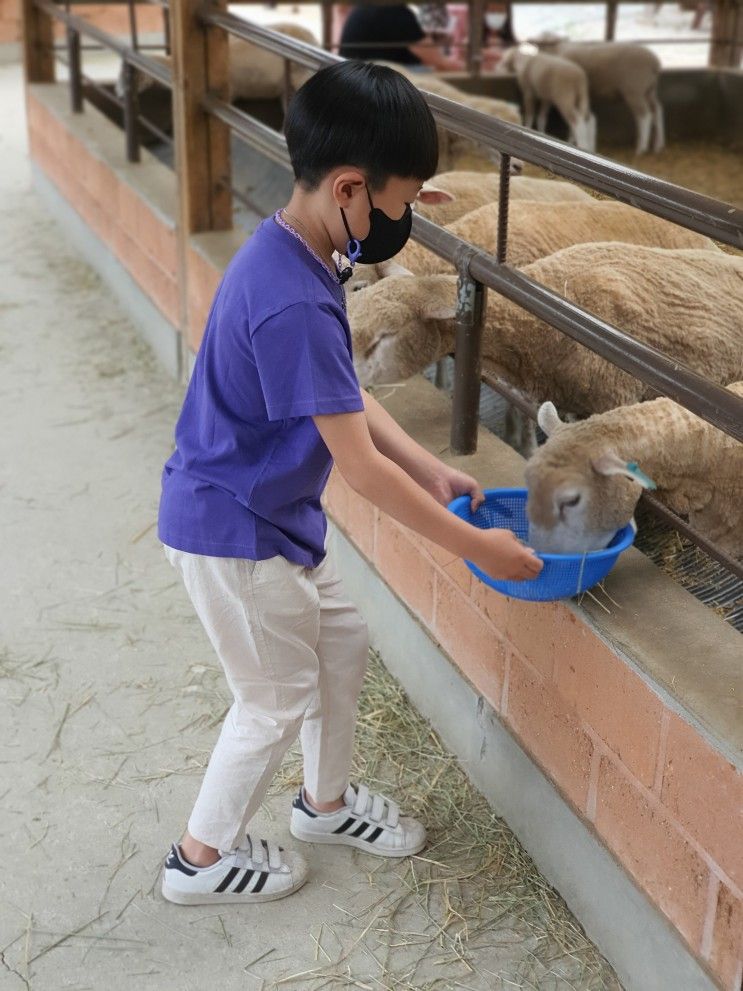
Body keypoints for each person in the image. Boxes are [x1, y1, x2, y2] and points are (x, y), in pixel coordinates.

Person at [157, 60, 542, 907]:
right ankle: (199, 858)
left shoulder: (298, 251)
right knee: (271, 699)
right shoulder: (293, 296)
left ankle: (322, 805)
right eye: (400, 203)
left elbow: (346, 397)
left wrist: (431, 464)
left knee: (342, 641)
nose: (404, 221)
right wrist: (475, 544)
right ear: (349, 189)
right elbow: (356, 465)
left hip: (269, 517)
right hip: (237, 531)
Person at [339, 4, 462, 69]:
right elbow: (440, 62)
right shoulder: (394, 12)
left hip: (355, 73)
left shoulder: (376, 6)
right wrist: (462, 66)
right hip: (369, 80)